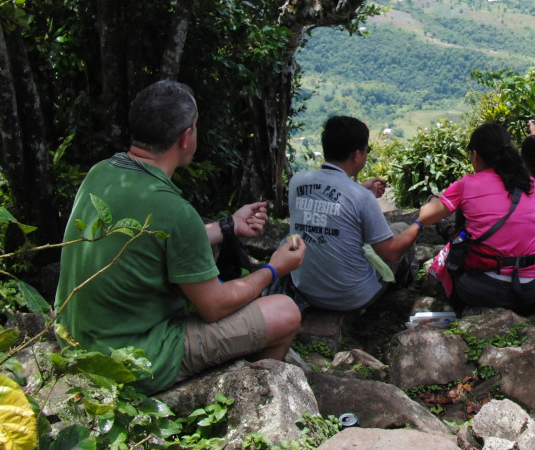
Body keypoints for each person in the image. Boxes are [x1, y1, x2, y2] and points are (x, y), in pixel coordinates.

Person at [56, 80, 305, 395]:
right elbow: (214, 306)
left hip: (76, 341)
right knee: (285, 311)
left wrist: (228, 226)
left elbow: (151, 238)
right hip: (132, 358)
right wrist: (274, 268)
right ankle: (255, 394)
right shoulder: (175, 211)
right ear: (186, 137)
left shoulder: (101, 173)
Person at [283, 116, 421, 312]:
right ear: (357, 155)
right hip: (352, 296)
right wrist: (421, 221)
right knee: (401, 228)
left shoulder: (297, 182)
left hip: (306, 289)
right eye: (367, 150)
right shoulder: (361, 197)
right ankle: (402, 289)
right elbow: (391, 253)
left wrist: (360, 189)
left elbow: (328, 203)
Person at [416, 122, 535, 313]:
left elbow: (425, 217)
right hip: (530, 288)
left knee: (453, 257)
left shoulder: (467, 184)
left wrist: (435, 199)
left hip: (488, 290)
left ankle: (457, 308)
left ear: (476, 155)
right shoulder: (529, 183)